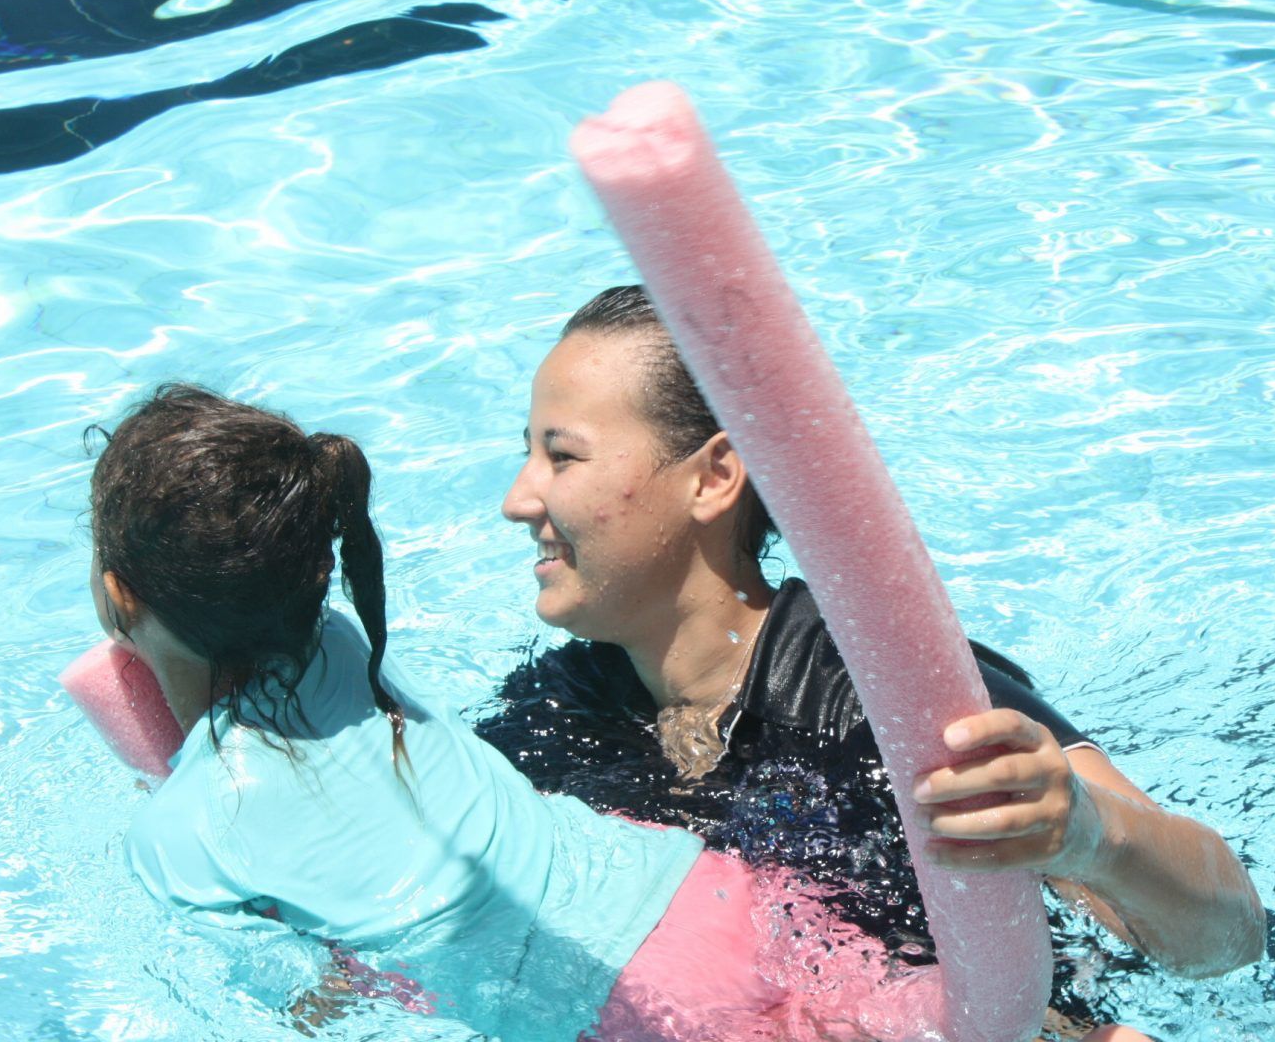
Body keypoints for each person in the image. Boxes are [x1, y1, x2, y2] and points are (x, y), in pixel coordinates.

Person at [84, 382, 1026, 1042]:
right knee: (926, 1014)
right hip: (706, 889)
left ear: (121, 599)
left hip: (610, 999)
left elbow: (313, 1007)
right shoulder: (339, 640)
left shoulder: (177, 838)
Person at [482, 285, 1267, 998]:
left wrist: (1088, 835)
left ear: (715, 476)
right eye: (527, 453)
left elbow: (1227, 938)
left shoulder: (887, 696)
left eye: (562, 456)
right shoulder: (559, 713)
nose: (520, 499)